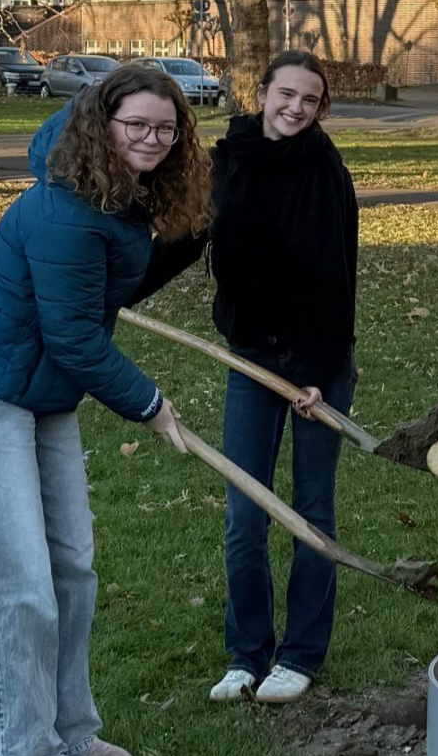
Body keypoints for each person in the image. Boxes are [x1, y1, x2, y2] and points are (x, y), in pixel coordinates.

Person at [0, 66, 212, 756]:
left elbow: (109, 283)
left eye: (164, 127)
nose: (151, 139)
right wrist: (151, 404)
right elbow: (75, 336)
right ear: (103, 125)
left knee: (70, 569)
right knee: (12, 580)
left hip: (42, 393)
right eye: (137, 126)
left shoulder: (121, 197)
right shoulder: (66, 206)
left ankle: (68, 732)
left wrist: (185, 239)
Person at [143, 51, 360, 704]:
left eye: (309, 99)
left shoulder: (325, 172)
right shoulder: (227, 160)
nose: (295, 107)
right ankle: (246, 653)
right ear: (261, 92)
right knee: (244, 513)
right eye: (285, 93)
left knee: (308, 509)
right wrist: (116, 289)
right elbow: (186, 241)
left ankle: (298, 655)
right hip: (250, 359)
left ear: (319, 108)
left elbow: (337, 280)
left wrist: (319, 375)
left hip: (317, 364)